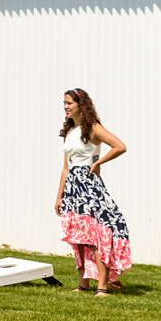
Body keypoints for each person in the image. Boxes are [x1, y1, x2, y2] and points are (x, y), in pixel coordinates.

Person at [54, 88, 130, 295]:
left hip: (89, 187)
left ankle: (103, 287)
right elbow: (65, 168)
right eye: (64, 103)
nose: (65, 107)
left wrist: (98, 163)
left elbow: (120, 147)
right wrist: (59, 196)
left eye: (69, 103)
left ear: (81, 105)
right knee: (79, 237)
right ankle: (83, 284)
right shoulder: (69, 132)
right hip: (72, 188)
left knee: (97, 235)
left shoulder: (94, 128)